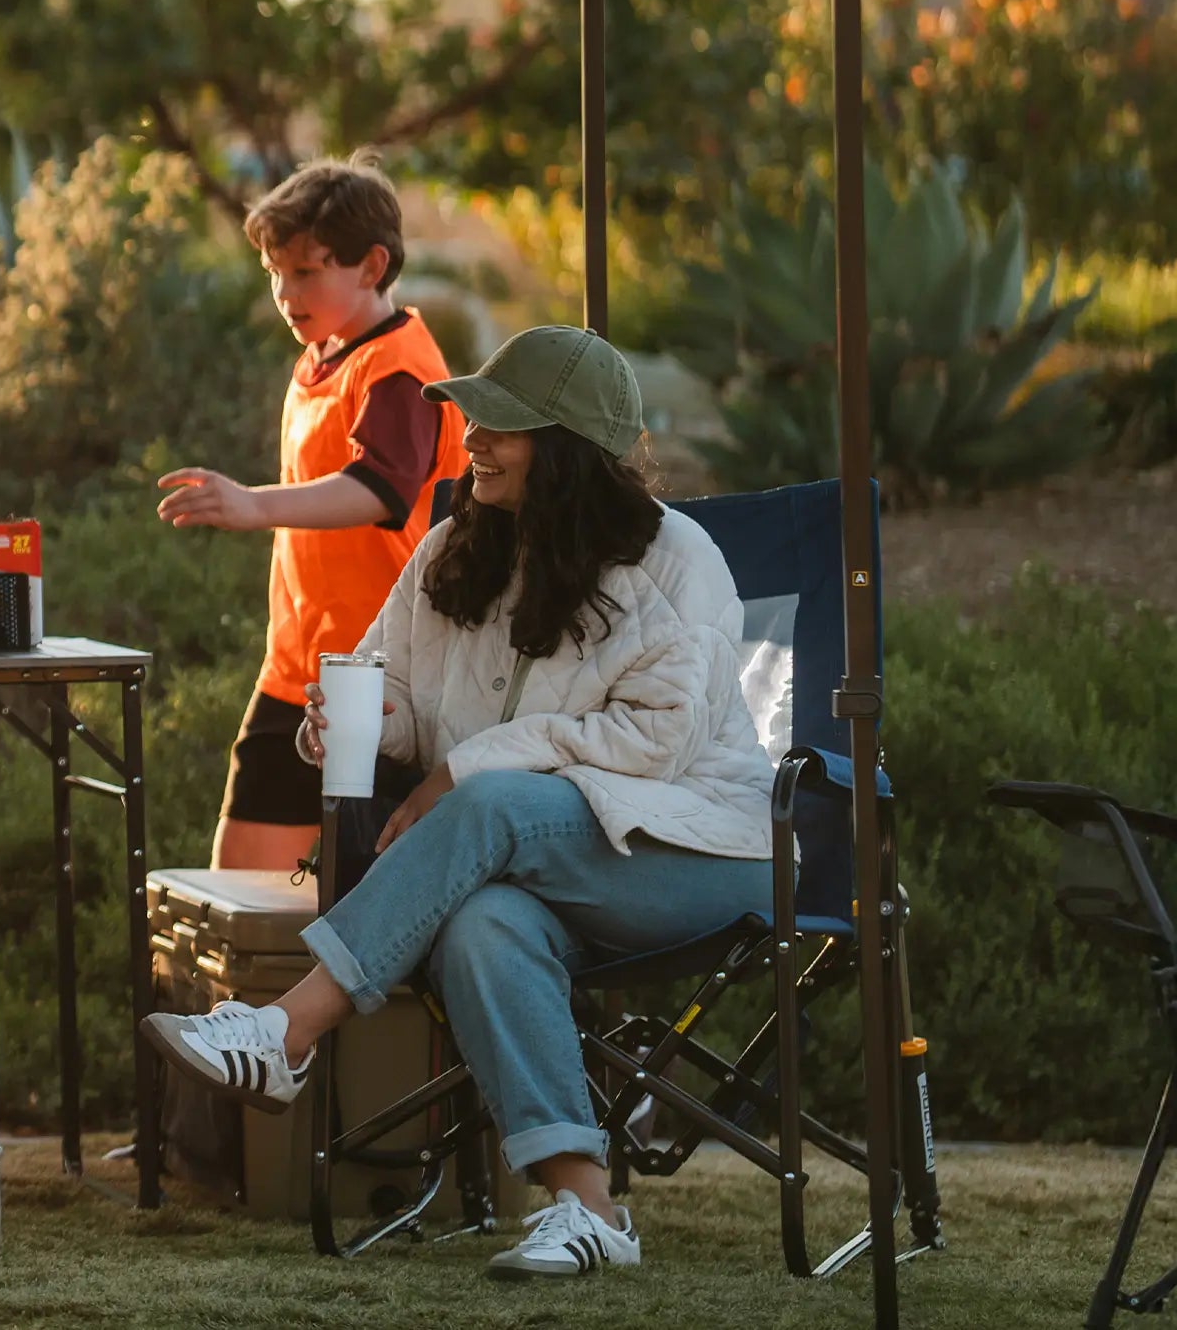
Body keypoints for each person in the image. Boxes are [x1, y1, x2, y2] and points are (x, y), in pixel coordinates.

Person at [143, 325, 769, 1282]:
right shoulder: (455, 546)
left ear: (566, 449)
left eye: (500, 424)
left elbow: (655, 744)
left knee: (487, 804)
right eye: (473, 416)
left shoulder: (673, 560)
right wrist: (351, 720)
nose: (471, 436)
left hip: (688, 846)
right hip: (531, 855)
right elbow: (396, 692)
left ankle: (284, 1032)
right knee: (480, 924)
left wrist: (462, 771)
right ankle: (586, 1209)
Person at [157, 161, 468, 873]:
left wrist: (250, 504)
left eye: (305, 272)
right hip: (293, 672)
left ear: (373, 265)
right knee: (235, 890)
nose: (284, 293)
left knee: (357, 900)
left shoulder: (398, 367)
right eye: (274, 272)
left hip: (377, 685)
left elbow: (378, 490)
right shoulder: (318, 360)